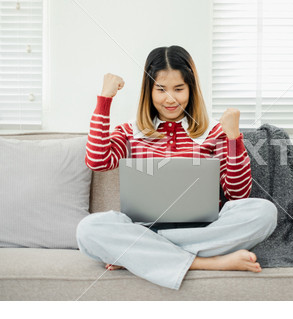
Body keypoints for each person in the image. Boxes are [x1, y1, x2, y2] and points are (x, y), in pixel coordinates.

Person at [76, 45, 277, 290]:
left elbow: (238, 193)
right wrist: (104, 99)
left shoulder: (213, 132)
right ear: (148, 91)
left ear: (192, 90)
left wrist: (233, 137)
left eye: (179, 89)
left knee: (264, 211)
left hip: (203, 228)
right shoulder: (131, 131)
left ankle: (139, 253)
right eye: (161, 89)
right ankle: (207, 262)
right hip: (143, 227)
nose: (170, 99)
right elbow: (97, 161)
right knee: (88, 229)